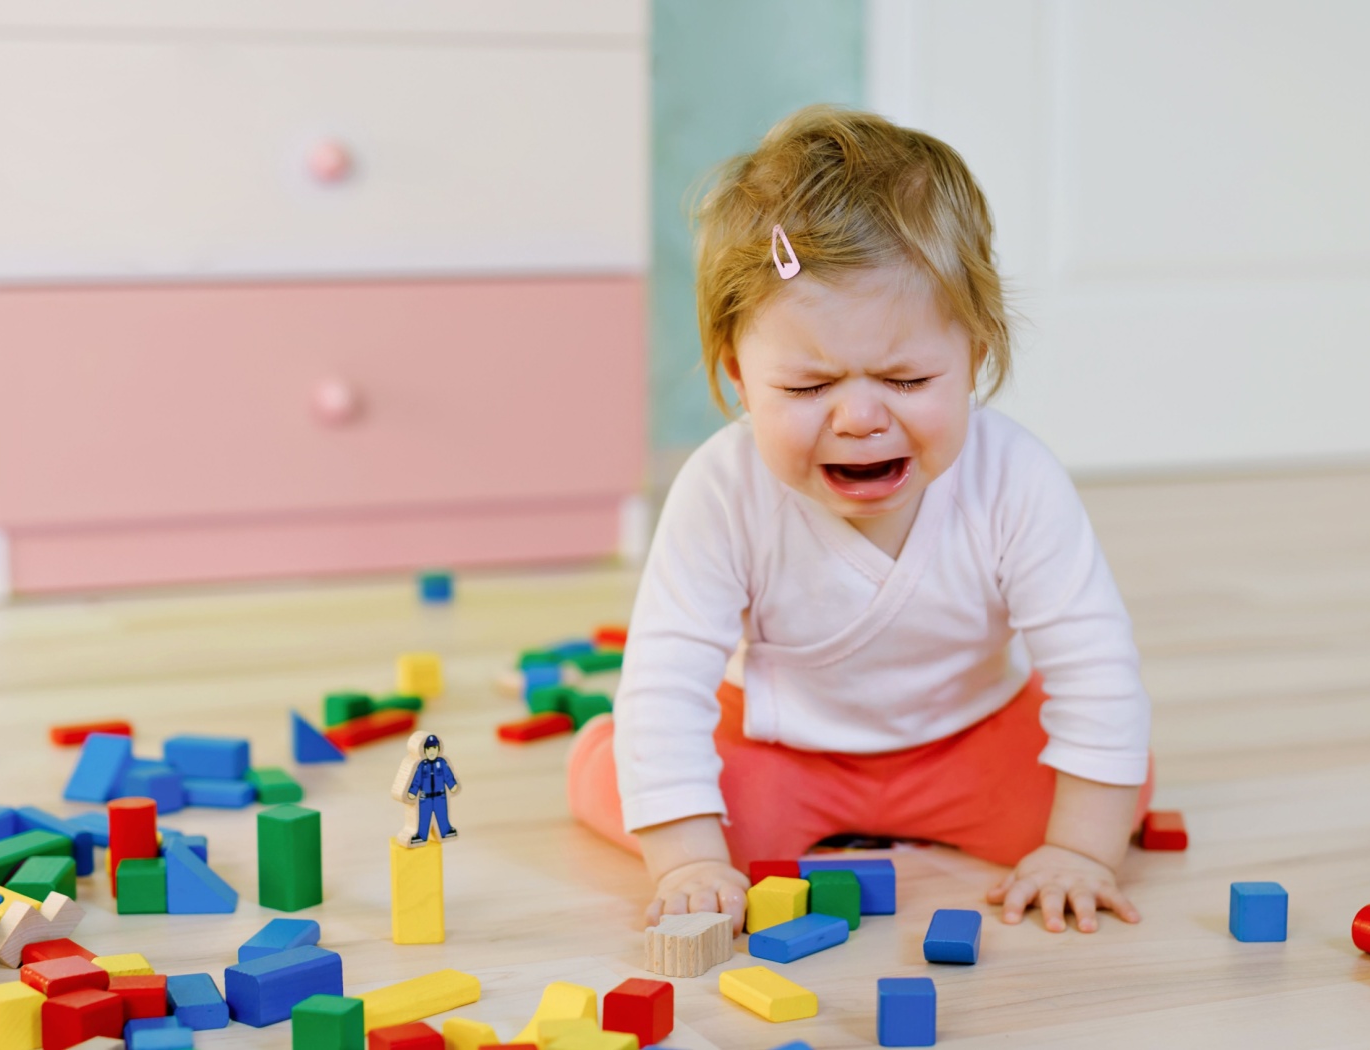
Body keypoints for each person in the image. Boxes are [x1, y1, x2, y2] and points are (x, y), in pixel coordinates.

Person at [567, 106, 1154, 937]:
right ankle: (601, 749)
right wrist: (689, 858)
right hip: (786, 747)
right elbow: (667, 676)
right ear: (739, 375)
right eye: (807, 389)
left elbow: (1094, 664)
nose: (859, 419)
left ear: (975, 356)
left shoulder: (1017, 479)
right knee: (685, 808)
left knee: (1111, 790)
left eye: (908, 379)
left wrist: (1083, 852)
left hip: (964, 735)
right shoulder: (720, 490)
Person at [406, 734, 459, 845]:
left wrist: (452, 785)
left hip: (440, 796)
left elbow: (448, 775)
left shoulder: (442, 763)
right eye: (429, 748)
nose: (431, 751)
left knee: (442, 814)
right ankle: (421, 834)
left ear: (438, 749)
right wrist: (412, 791)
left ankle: (446, 830)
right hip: (425, 798)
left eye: (434, 748)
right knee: (424, 816)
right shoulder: (422, 766)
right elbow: (416, 780)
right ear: (424, 750)